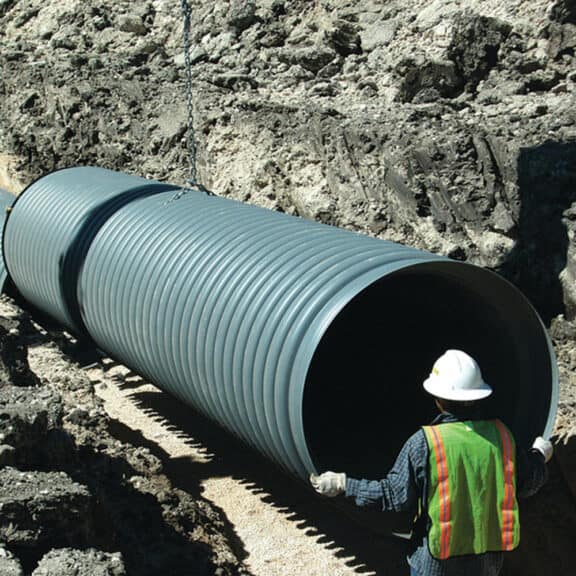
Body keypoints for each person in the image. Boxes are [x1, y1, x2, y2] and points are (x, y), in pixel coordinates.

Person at [310, 349, 553, 576]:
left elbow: (394, 497)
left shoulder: (426, 443)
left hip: (434, 565)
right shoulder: (502, 436)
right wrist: (539, 454)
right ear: (479, 396)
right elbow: (527, 482)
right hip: (486, 566)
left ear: (438, 398)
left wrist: (344, 484)